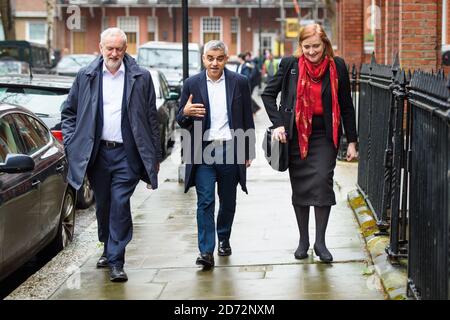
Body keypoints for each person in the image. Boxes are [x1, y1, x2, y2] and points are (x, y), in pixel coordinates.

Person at [61, 27, 161, 282]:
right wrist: (73, 142)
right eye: (110, 48)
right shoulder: (86, 75)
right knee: (103, 205)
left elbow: (151, 119)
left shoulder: (141, 77)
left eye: (119, 48)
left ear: (126, 49)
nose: (114, 53)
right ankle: (107, 246)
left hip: (127, 154)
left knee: (119, 204)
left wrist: (154, 157)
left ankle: (117, 260)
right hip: (97, 154)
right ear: (101, 47)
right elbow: (69, 112)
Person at [261, 23, 358, 263]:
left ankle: (321, 242)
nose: (312, 51)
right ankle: (303, 240)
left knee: (323, 183)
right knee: (301, 187)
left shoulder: (338, 67)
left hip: (325, 136)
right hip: (296, 136)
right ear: (300, 46)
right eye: (307, 47)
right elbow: (267, 95)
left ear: (325, 44)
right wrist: (278, 124)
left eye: (316, 46)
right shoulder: (290, 65)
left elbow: (346, 106)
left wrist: (353, 141)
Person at [177, 40, 255, 270]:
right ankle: (205, 251)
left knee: (228, 201)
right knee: (205, 201)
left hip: (231, 149)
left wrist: (248, 150)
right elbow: (181, 121)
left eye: (219, 58)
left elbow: (247, 117)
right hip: (203, 151)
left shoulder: (239, 82)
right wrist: (185, 112)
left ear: (226, 58)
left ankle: (224, 237)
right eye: (210, 58)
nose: (214, 63)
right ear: (203, 58)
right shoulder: (192, 84)